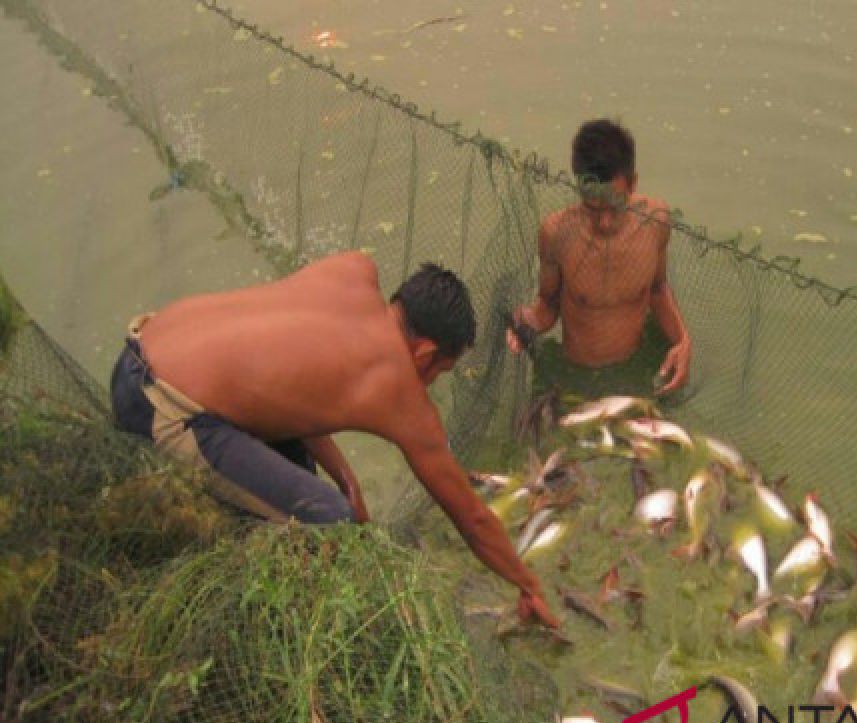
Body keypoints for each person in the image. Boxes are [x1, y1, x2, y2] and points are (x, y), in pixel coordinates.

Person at [109, 252, 559, 627]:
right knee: (332, 521)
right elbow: (473, 519)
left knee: (306, 478)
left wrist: (346, 477)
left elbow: (295, 381)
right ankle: (269, 614)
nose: (431, 385)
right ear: (424, 353)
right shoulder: (399, 388)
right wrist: (529, 585)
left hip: (145, 340)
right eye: (439, 372)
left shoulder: (353, 270)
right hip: (161, 406)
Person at [507, 118, 692, 396]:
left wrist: (683, 340)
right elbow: (547, 306)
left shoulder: (656, 222)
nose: (605, 222)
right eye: (592, 207)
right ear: (580, 189)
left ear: (633, 184)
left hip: (633, 372)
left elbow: (657, 289)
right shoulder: (555, 234)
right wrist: (524, 324)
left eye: (615, 207)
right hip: (576, 377)